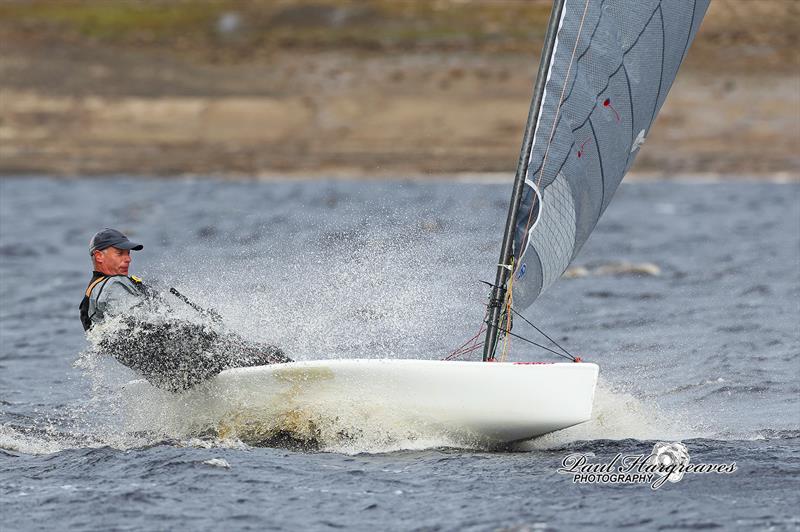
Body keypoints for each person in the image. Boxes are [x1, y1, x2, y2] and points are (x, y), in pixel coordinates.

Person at [80, 228, 291, 392]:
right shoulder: (112, 286)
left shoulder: (96, 292)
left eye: (128, 253)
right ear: (99, 256)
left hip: (166, 374)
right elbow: (137, 320)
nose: (128, 259)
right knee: (270, 353)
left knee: (233, 346)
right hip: (180, 361)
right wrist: (199, 328)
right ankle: (292, 383)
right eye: (120, 253)